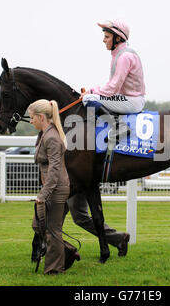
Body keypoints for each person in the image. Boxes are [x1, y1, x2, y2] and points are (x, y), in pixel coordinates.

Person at [29, 99, 80, 274]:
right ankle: (67, 252)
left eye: (32, 117)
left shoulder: (51, 137)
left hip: (56, 189)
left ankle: (54, 269)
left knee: (52, 230)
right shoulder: (46, 133)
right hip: (53, 187)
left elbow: (54, 169)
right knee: (39, 225)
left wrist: (44, 194)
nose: (30, 121)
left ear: (41, 117)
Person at [81, 19, 146, 141]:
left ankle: (119, 126)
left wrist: (91, 92)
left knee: (88, 99)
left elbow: (112, 88)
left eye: (107, 37)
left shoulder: (124, 57)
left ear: (117, 38)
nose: (104, 40)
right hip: (130, 98)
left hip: (132, 101)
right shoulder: (121, 54)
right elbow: (112, 87)